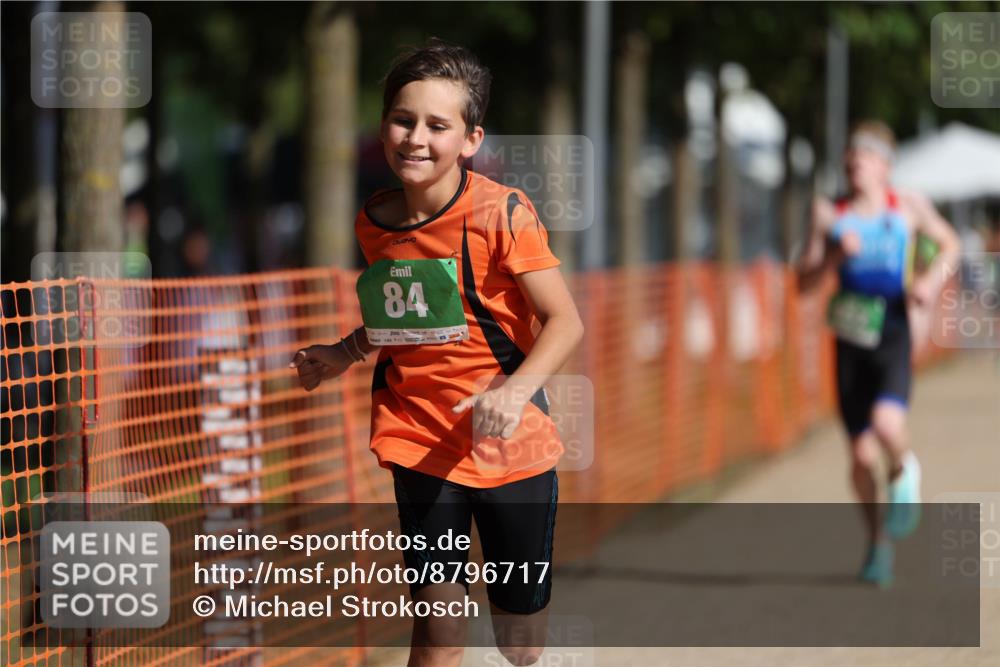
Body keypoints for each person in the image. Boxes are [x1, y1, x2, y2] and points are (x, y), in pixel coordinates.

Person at [290, 39, 584, 666]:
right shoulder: (374, 221)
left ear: (470, 139)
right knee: (438, 635)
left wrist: (512, 392)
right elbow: (408, 316)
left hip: (512, 449)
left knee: (521, 644)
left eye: (437, 125)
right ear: (383, 126)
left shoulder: (502, 213)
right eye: (403, 119)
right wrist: (344, 350)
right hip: (419, 440)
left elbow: (565, 322)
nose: (415, 137)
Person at [798, 120, 960, 587]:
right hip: (849, 342)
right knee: (860, 455)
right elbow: (803, 285)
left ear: (886, 165)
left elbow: (948, 243)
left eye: (866, 154)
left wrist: (929, 281)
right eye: (851, 154)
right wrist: (832, 259)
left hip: (891, 331)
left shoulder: (907, 206)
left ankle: (907, 469)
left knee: (888, 426)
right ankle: (877, 544)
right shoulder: (828, 213)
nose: (855, 161)